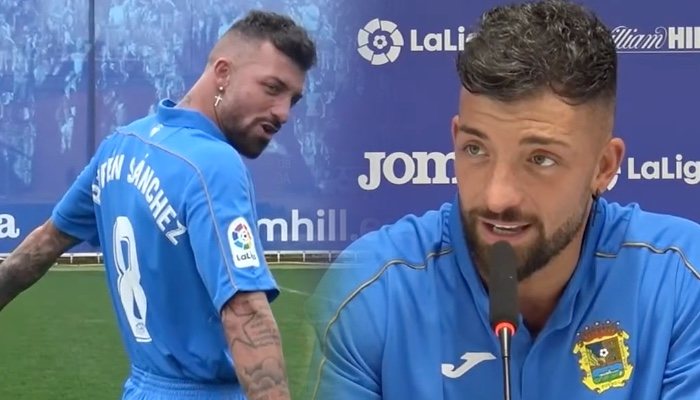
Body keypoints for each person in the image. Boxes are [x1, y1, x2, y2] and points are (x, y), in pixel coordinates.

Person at [305, 1, 700, 399]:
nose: (497, 197)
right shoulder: (371, 292)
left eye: (540, 159)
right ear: (456, 138)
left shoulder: (683, 282)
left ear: (604, 166)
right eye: (476, 149)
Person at [0, 10, 316, 400]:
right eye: (272, 88)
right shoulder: (213, 164)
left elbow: (42, 245)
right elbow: (245, 313)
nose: (284, 113)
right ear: (222, 72)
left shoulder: (122, 144)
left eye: (293, 99)